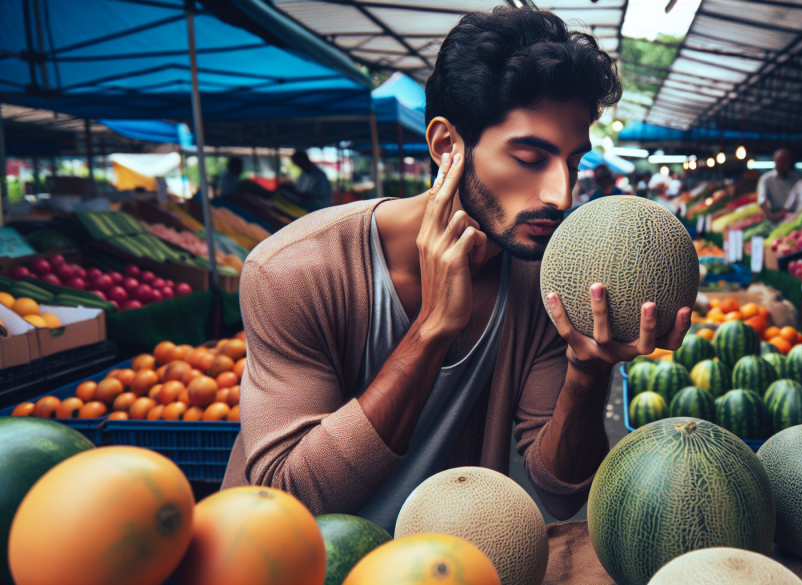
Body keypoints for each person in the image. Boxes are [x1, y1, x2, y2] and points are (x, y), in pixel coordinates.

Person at [221, 5, 691, 545]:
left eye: (573, 162)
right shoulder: (294, 271)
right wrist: (432, 328)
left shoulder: (544, 279)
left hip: (447, 565)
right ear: (447, 147)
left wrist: (587, 371)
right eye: (529, 157)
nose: (562, 194)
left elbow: (560, 490)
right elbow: (287, 497)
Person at [757, 148, 799, 221]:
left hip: (793, 217)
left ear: (790, 162)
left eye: (785, 162)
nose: (782, 165)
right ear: (774, 161)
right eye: (779, 161)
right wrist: (771, 216)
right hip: (774, 216)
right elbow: (761, 201)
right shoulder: (766, 179)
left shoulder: (797, 178)